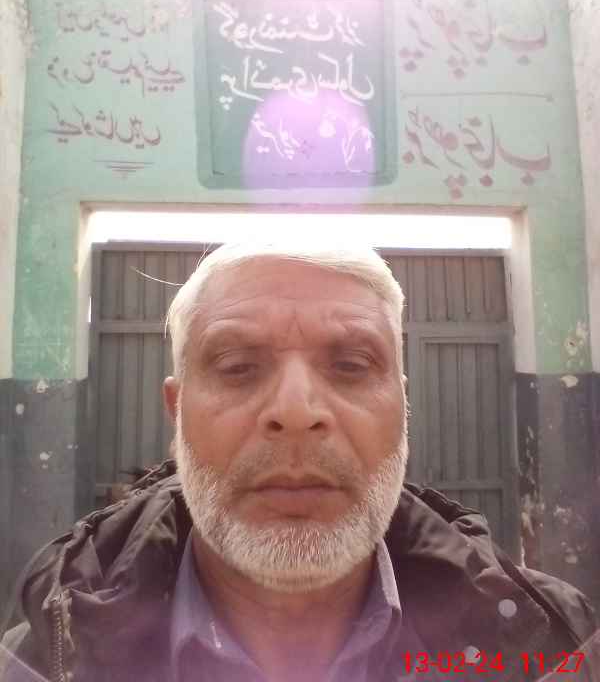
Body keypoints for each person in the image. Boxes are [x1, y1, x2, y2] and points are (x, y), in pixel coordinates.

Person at [1, 240, 597, 682]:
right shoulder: (43, 661)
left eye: (352, 366)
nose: (295, 411)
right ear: (177, 413)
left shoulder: (555, 651)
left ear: (402, 408)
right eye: (238, 367)